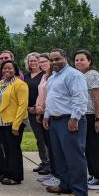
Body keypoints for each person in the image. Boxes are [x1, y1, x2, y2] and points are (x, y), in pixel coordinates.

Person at [43, 49, 89, 196]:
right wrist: (47, 115)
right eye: (52, 59)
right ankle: (65, 185)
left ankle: (80, 192)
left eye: (57, 59)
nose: (54, 62)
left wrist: (75, 118)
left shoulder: (74, 75)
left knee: (74, 157)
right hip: (55, 121)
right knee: (60, 156)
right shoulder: (53, 77)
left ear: (65, 58)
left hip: (69, 120)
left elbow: (80, 97)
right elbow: (52, 98)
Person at [0, 60, 28, 185]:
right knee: (0, 147)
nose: (7, 70)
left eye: (10, 68)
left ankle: (15, 177)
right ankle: (5, 172)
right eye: (4, 68)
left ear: (15, 70)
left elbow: (23, 105)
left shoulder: (20, 84)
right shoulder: (0, 83)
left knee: (13, 150)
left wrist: (16, 125)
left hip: (12, 123)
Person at [74, 50, 99, 190]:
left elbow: (98, 98)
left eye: (82, 59)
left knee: (94, 148)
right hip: (86, 115)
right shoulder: (80, 75)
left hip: (96, 115)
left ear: (89, 61)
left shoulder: (93, 75)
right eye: (76, 60)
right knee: (88, 147)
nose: (79, 62)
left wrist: (98, 118)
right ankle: (93, 175)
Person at [24, 52, 49, 175]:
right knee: (39, 139)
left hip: (41, 110)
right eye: (30, 61)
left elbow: (44, 94)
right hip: (29, 111)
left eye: (35, 60)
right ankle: (44, 162)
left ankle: (48, 164)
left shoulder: (44, 75)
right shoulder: (26, 76)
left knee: (45, 139)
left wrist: (36, 107)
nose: (33, 63)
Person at [35, 53, 58, 186]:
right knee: (49, 145)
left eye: (44, 61)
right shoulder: (44, 76)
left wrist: (42, 108)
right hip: (43, 112)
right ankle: (52, 172)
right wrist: (38, 108)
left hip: (49, 112)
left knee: (53, 146)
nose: (42, 64)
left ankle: (56, 174)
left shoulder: (53, 76)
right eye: (40, 62)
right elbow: (41, 94)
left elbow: (51, 96)